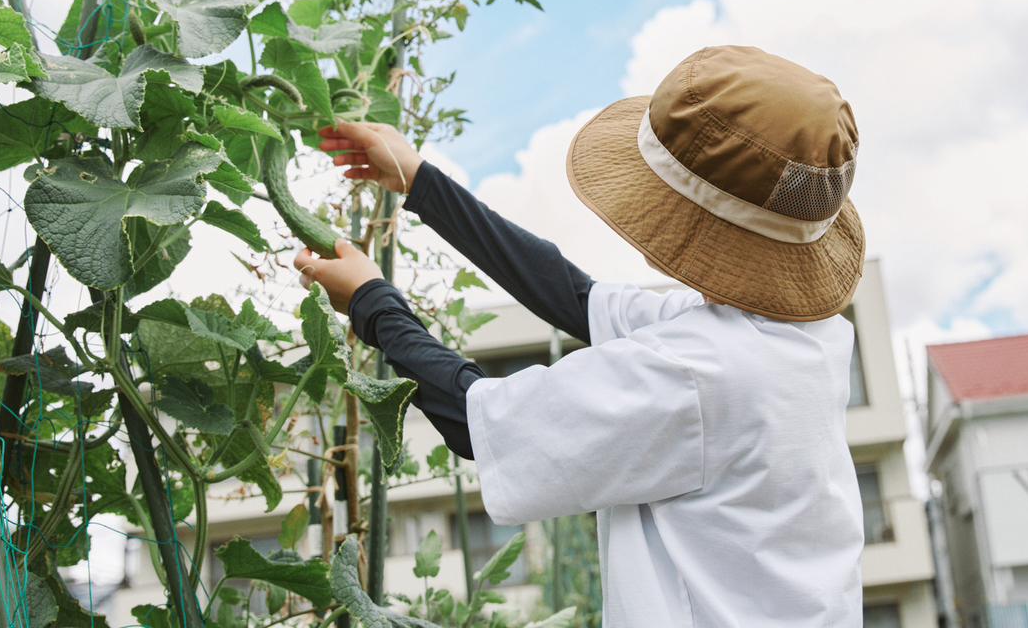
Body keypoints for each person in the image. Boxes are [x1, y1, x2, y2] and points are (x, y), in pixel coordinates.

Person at [296, 45, 867, 627]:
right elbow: (577, 298)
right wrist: (420, 182)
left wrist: (372, 303)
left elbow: (478, 421)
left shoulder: (701, 371)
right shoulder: (801, 333)